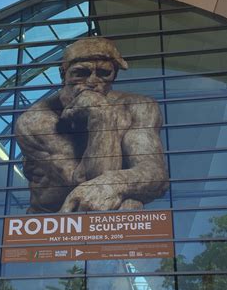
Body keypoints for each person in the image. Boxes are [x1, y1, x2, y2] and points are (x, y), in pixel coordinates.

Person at [16, 37, 169, 213]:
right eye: (81, 73)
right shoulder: (37, 120)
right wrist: (101, 115)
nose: (92, 82)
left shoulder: (137, 107)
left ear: (115, 75)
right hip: (50, 219)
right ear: (63, 74)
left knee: (130, 205)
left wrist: (115, 183)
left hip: (102, 208)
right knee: (123, 203)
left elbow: (155, 174)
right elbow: (88, 181)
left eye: (104, 73)